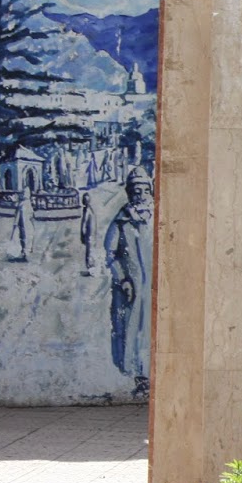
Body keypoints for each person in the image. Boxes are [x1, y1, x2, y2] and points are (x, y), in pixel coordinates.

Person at [107, 167, 154, 397]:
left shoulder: (158, 218)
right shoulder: (122, 221)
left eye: (145, 190)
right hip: (132, 290)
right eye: (136, 191)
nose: (141, 195)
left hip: (155, 287)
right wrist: (122, 279)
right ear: (129, 193)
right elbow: (111, 254)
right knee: (133, 331)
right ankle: (140, 377)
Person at [12, 184, 35, 262]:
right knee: (25, 238)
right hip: (24, 226)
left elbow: (30, 215)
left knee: (26, 238)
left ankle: (26, 253)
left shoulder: (24, 204)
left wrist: (15, 223)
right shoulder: (25, 204)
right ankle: (25, 253)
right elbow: (30, 215)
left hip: (26, 225)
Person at [79, 192, 96, 276]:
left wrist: (82, 234)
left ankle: (91, 270)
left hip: (89, 234)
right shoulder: (91, 209)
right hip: (92, 234)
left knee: (89, 253)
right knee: (91, 251)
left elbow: (84, 223)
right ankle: (92, 269)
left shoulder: (87, 210)